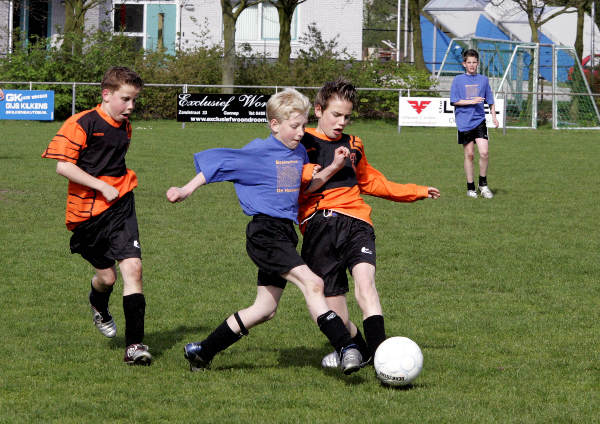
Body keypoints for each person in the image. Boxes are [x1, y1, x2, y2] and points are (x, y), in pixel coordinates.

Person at [166, 88, 364, 375]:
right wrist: (185, 190)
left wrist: (333, 167)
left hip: (284, 233)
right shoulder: (259, 151)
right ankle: (347, 347)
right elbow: (218, 163)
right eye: (294, 126)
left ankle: (203, 351)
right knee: (313, 283)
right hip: (264, 233)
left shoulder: (295, 151)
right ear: (275, 125)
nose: (300, 132)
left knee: (264, 310)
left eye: (303, 124)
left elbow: (303, 187)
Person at [298, 78, 441, 370]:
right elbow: (300, 185)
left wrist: (415, 191)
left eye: (347, 116)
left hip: (356, 222)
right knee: (334, 310)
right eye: (335, 115)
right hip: (319, 226)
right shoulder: (302, 142)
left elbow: (371, 181)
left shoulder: (354, 144)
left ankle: (380, 359)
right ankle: (357, 350)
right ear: (318, 110)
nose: (341, 122)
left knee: (366, 285)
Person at [42, 66, 151, 365]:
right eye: (125, 99)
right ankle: (99, 306)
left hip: (121, 204)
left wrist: (113, 187)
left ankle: (135, 346)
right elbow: (63, 167)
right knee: (107, 277)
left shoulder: (124, 125)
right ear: (106, 94)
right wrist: (100, 185)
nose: (130, 107)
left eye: (134, 101)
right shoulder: (81, 123)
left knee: (134, 269)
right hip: (87, 213)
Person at [450, 48, 499, 199]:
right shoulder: (458, 80)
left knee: (484, 153)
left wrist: (494, 117)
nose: (472, 65)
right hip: (464, 122)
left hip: (479, 121)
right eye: (469, 62)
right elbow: (455, 101)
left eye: (474, 62)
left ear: (478, 63)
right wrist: (472, 101)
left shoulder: (483, 80)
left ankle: (483, 185)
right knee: (469, 154)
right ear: (464, 64)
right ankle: (470, 187)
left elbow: (490, 100)